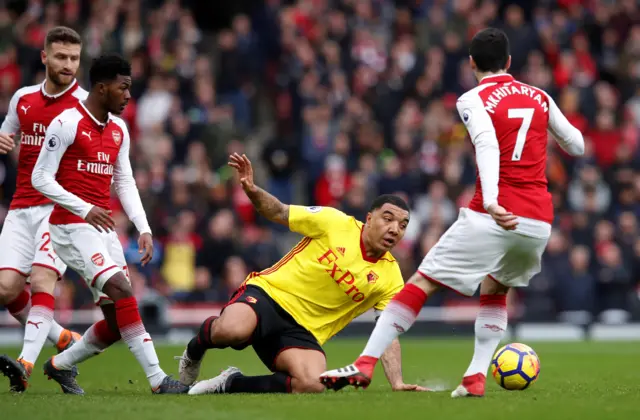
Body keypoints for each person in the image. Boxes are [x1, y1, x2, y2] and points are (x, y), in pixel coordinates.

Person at [320, 27, 585, 397]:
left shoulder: (473, 99)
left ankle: (364, 363)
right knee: (496, 288)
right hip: (538, 222)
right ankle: (475, 378)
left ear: (472, 63)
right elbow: (577, 144)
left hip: (492, 214)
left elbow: (487, 145)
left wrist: (492, 202)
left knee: (422, 282)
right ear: (509, 62)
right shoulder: (538, 96)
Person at [181, 153, 428, 395]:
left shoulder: (391, 276)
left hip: (302, 331)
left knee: (314, 384)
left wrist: (397, 382)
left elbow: (386, 331)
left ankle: (230, 383)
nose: (395, 229)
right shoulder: (334, 222)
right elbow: (279, 211)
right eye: (388, 219)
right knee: (231, 332)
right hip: (270, 295)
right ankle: (194, 349)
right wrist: (252, 190)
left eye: (403, 225)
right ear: (370, 219)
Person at [26, 53, 187, 395]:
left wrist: (143, 227)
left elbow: (125, 182)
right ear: (102, 88)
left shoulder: (118, 129)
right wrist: (84, 208)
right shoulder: (66, 123)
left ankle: (59, 365)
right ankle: (159, 380)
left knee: (116, 322)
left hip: (101, 229)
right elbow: (39, 177)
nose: (129, 95)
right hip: (70, 226)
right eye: (123, 87)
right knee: (123, 290)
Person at [0, 26, 87, 392]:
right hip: (21, 208)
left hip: (59, 208)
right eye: (61, 57)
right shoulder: (22, 98)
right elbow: (7, 134)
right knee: (5, 290)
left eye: (74, 59)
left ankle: (26, 364)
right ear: (45, 58)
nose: (68, 65)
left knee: (40, 282)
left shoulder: (85, 105)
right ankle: (63, 339)